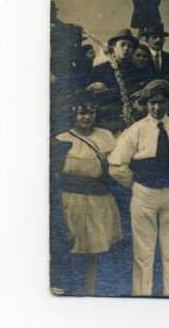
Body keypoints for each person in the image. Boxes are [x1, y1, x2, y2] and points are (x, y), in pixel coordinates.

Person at [107, 80, 169, 296]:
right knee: (144, 252)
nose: (156, 108)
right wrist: (135, 183)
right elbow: (116, 165)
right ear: (146, 104)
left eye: (161, 102)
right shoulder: (136, 130)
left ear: (168, 103)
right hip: (144, 194)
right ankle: (142, 297)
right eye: (152, 103)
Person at [50, 91, 123, 295]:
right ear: (73, 114)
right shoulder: (62, 139)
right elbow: (54, 174)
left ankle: (91, 292)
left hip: (99, 200)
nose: (86, 117)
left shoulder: (105, 136)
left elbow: (115, 166)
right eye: (82, 113)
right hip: (72, 201)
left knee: (96, 251)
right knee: (74, 249)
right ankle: (70, 290)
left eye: (90, 112)